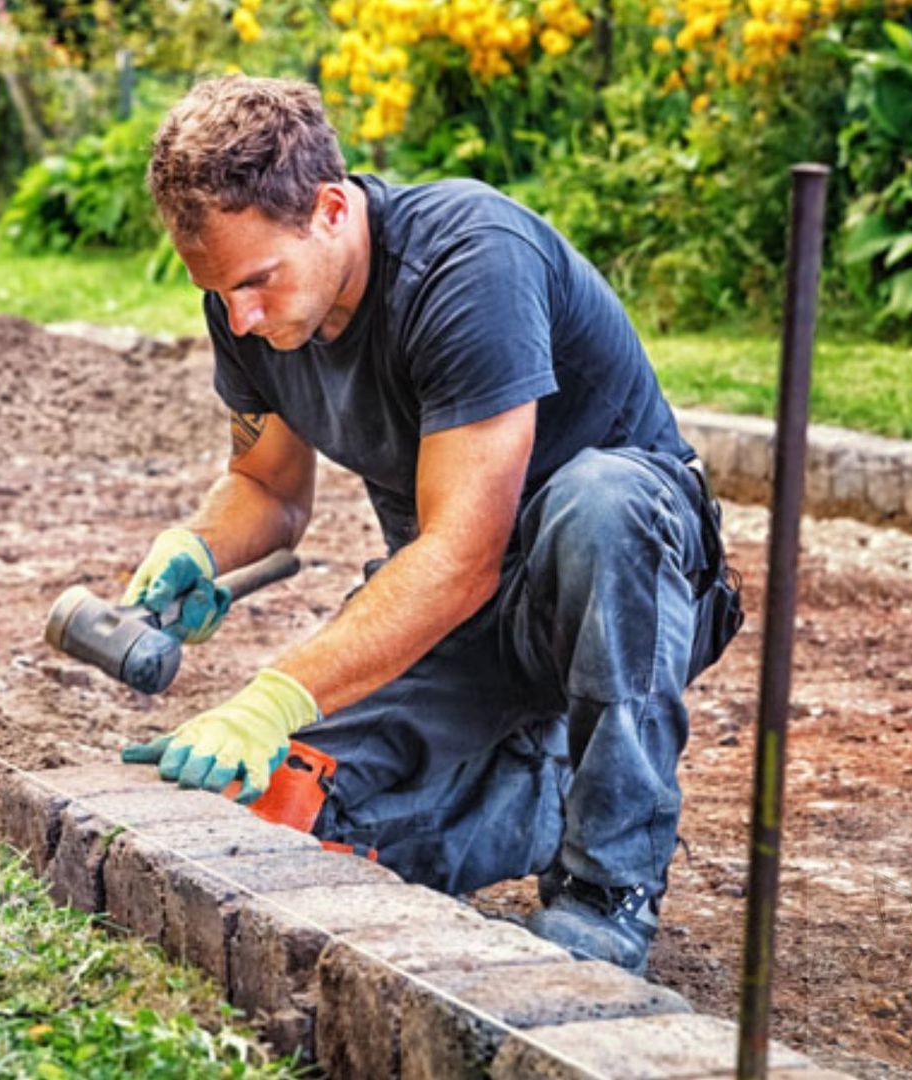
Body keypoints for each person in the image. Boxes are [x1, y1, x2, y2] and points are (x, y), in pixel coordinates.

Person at [115, 75, 743, 976]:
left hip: (619, 593)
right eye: (218, 292)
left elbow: (463, 554)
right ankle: (540, 788)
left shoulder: (466, 260)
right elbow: (267, 484)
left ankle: (609, 887)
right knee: (276, 804)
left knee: (603, 499)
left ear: (331, 209)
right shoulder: (246, 308)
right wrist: (199, 547)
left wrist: (271, 694)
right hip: (462, 619)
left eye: (256, 282)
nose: (241, 316)